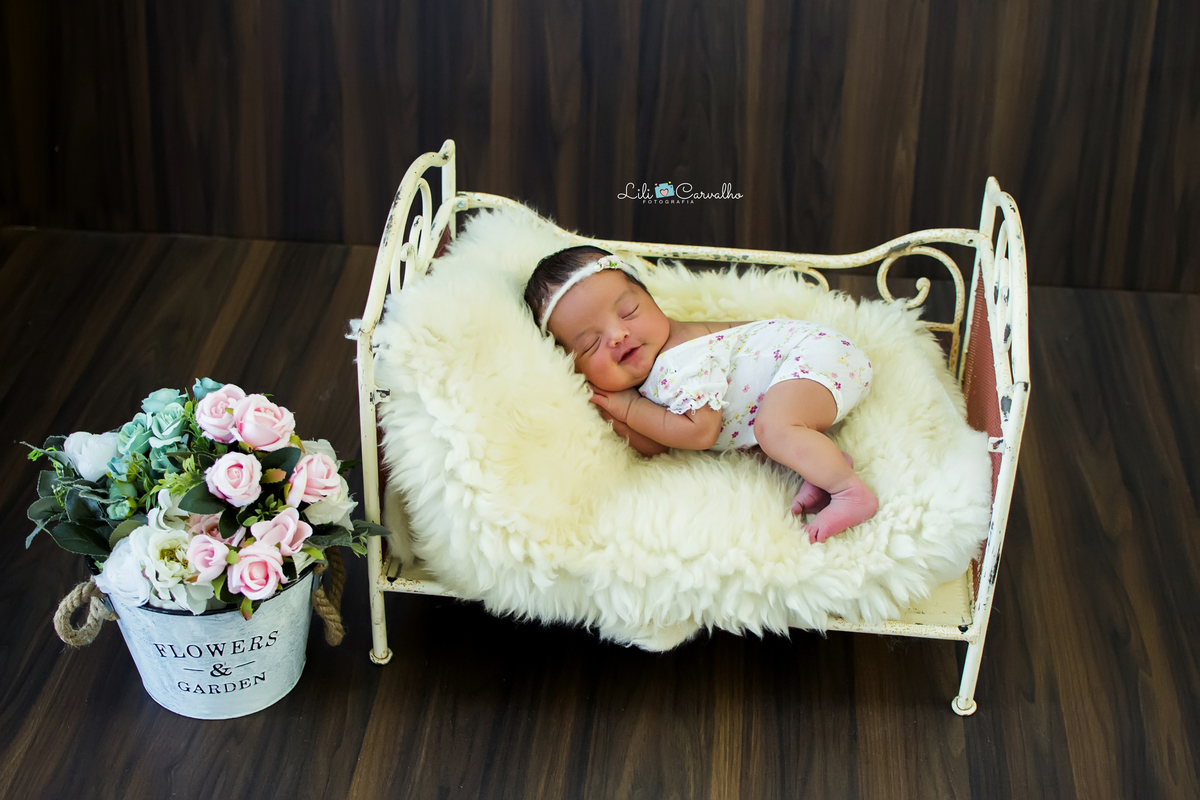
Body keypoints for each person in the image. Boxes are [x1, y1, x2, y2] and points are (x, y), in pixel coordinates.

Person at [524, 245, 878, 544]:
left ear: (651, 300)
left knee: (775, 429)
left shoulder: (683, 357)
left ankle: (851, 492)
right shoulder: (655, 373)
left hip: (818, 357)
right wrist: (612, 415)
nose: (617, 335)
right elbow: (662, 444)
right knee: (770, 442)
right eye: (590, 344)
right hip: (812, 369)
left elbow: (698, 431)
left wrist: (629, 408)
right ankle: (823, 465)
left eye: (629, 312)